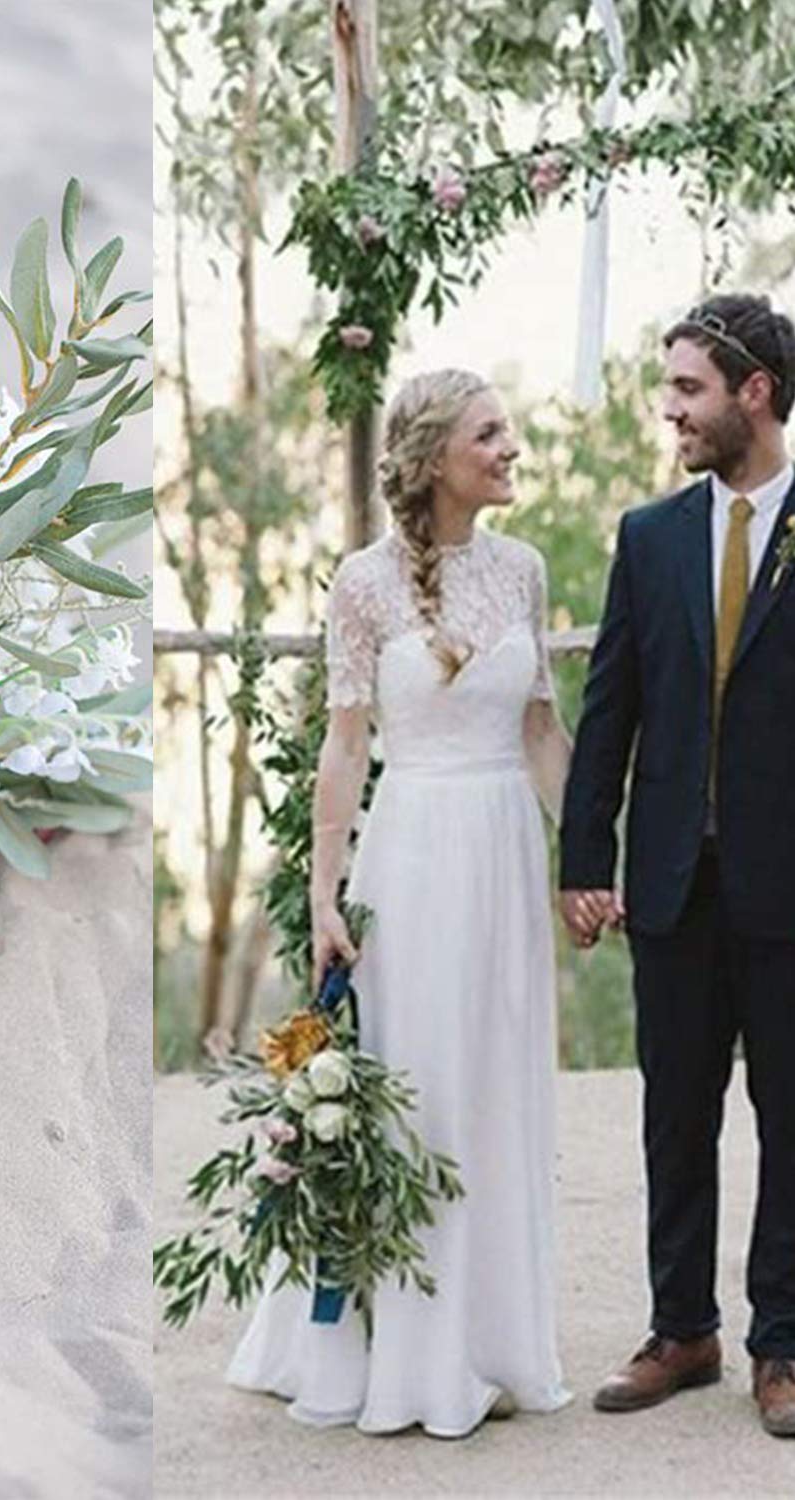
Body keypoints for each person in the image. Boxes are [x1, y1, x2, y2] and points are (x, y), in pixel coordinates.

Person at [226, 368, 574, 1437]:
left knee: (494, 1082)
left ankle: (491, 1339)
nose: (513, 446)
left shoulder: (523, 569)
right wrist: (325, 895)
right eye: (491, 432)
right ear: (433, 461)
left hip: (506, 854)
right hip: (413, 854)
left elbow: (542, 736)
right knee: (416, 1085)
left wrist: (591, 865)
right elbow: (344, 748)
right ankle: (401, 1350)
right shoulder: (362, 583)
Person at [560, 293, 795, 1439]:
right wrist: (581, 858)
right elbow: (610, 707)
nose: (672, 413)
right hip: (669, 882)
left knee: (793, 1120)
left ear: (757, 392)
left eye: (691, 390)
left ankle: (783, 1345)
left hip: (790, 887)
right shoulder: (648, 537)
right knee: (674, 1119)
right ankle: (681, 1329)